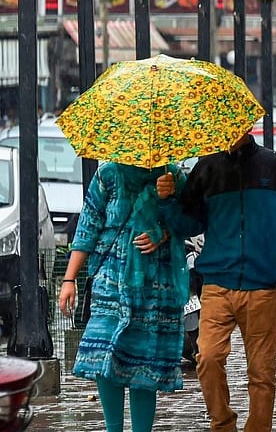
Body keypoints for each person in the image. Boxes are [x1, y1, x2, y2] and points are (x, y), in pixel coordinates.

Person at [156, 133, 276, 432]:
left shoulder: (274, 165)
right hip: (217, 284)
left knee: (262, 371)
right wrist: (168, 201)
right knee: (208, 357)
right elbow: (189, 222)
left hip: (262, 286)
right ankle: (222, 423)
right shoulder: (207, 167)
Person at [58, 163, 190, 432]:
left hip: (155, 286)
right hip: (111, 281)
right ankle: (113, 428)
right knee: (105, 352)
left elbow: (190, 222)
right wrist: (69, 279)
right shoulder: (108, 174)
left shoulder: (173, 176)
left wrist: (164, 225)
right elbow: (88, 225)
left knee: (144, 361)